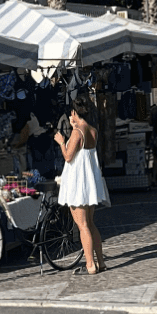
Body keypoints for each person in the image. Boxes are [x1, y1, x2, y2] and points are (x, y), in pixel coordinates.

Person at [54, 103, 108, 275]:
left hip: (78, 183)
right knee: (90, 223)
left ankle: (90, 265)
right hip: (89, 182)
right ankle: (100, 261)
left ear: (74, 112)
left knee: (82, 225)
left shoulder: (78, 133)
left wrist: (62, 142)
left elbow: (69, 157)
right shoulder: (92, 130)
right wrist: (74, 126)